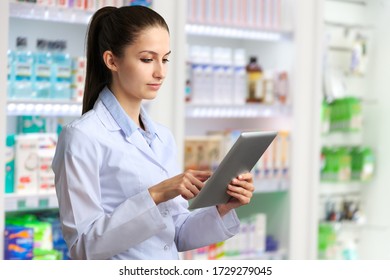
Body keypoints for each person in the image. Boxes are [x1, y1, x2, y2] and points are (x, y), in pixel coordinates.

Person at [52, 5, 255, 260]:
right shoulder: (82, 137)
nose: (160, 72)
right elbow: (83, 246)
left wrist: (223, 208)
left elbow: (177, 233)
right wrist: (157, 194)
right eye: (147, 59)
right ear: (112, 60)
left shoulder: (162, 137)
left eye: (165, 59)